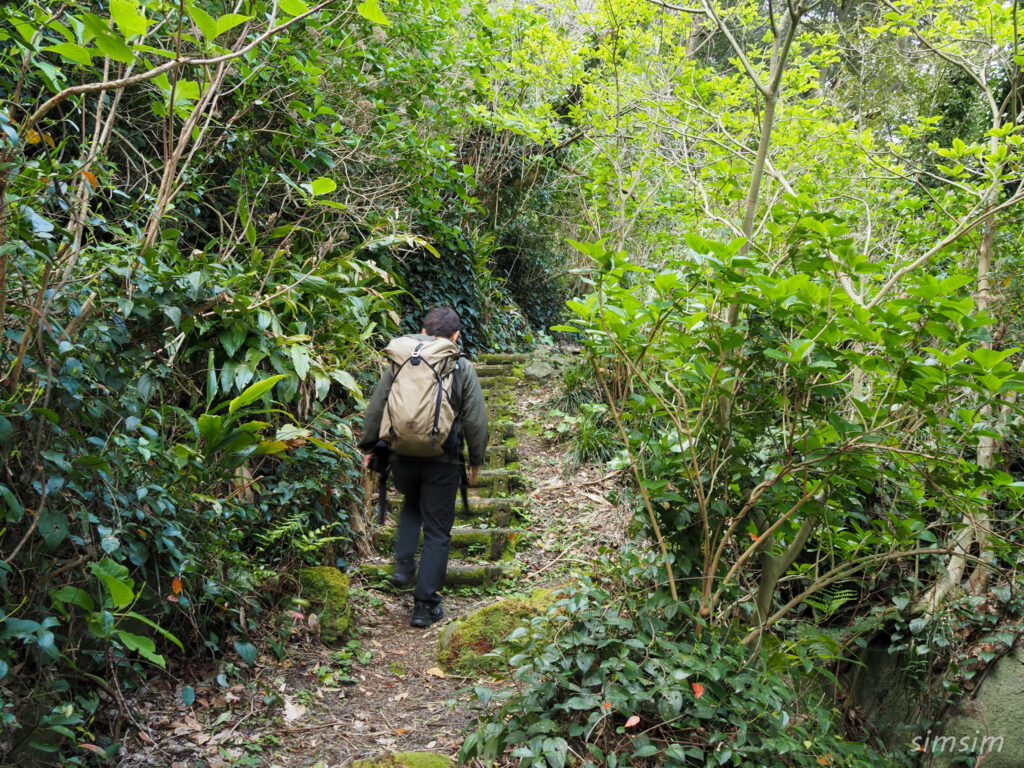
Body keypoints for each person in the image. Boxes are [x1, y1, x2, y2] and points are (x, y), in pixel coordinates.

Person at [359, 307, 489, 627]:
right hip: (443, 460)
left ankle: (403, 566)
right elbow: (475, 418)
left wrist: (368, 446)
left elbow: (379, 403)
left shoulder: (402, 360)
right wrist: (475, 460)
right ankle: (424, 605)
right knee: (437, 531)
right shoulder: (460, 365)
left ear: (423, 332)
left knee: (411, 508)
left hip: (402, 455)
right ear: (456, 336)